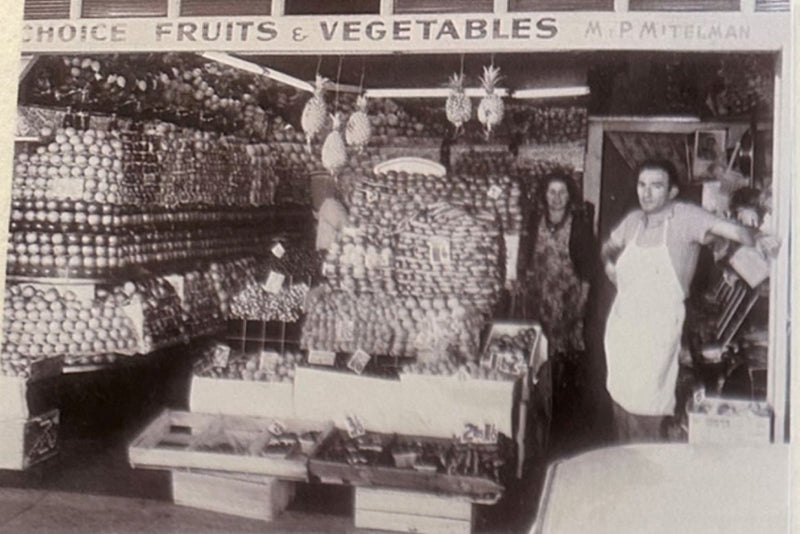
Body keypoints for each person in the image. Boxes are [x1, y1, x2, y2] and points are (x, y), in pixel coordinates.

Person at [601, 159, 778, 443]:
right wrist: (610, 264)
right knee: (620, 416)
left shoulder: (685, 217)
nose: (646, 193)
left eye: (656, 186)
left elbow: (730, 230)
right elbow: (608, 247)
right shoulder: (632, 221)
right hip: (621, 336)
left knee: (648, 424)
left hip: (655, 341)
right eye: (642, 185)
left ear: (672, 192)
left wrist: (758, 238)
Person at [517, 171, 598, 419]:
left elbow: (588, 269)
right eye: (552, 192)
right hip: (538, 300)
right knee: (538, 355)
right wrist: (521, 281)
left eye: (562, 192)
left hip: (567, 303)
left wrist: (582, 301)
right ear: (544, 194)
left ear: (569, 196)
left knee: (565, 357)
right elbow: (525, 257)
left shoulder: (579, 226)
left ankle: (565, 414)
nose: (557, 198)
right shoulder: (533, 222)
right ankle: (539, 408)